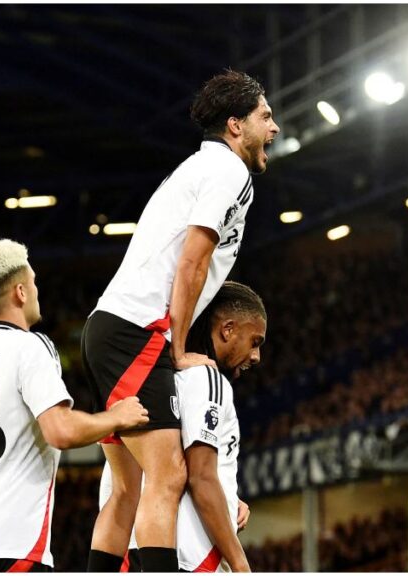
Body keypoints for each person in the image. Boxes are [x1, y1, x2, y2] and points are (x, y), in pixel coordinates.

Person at [83, 69, 279, 572]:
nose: (274, 128)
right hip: (137, 330)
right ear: (235, 125)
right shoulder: (230, 173)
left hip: (110, 325)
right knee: (166, 476)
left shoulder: (199, 167)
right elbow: (194, 259)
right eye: (265, 116)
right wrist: (175, 345)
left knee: (128, 487)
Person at [0, 239, 149, 572]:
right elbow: (60, 431)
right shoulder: (29, 347)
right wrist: (115, 417)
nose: (35, 290)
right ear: (20, 292)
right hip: (16, 544)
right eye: (33, 283)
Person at [176, 281, 265, 572]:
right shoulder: (207, 380)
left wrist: (228, 498)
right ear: (227, 330)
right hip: (195, 555)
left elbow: (180, 462)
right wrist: (240, 564)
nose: (256, 356)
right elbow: (201, 479)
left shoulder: (171, 377)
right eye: (255, 341)